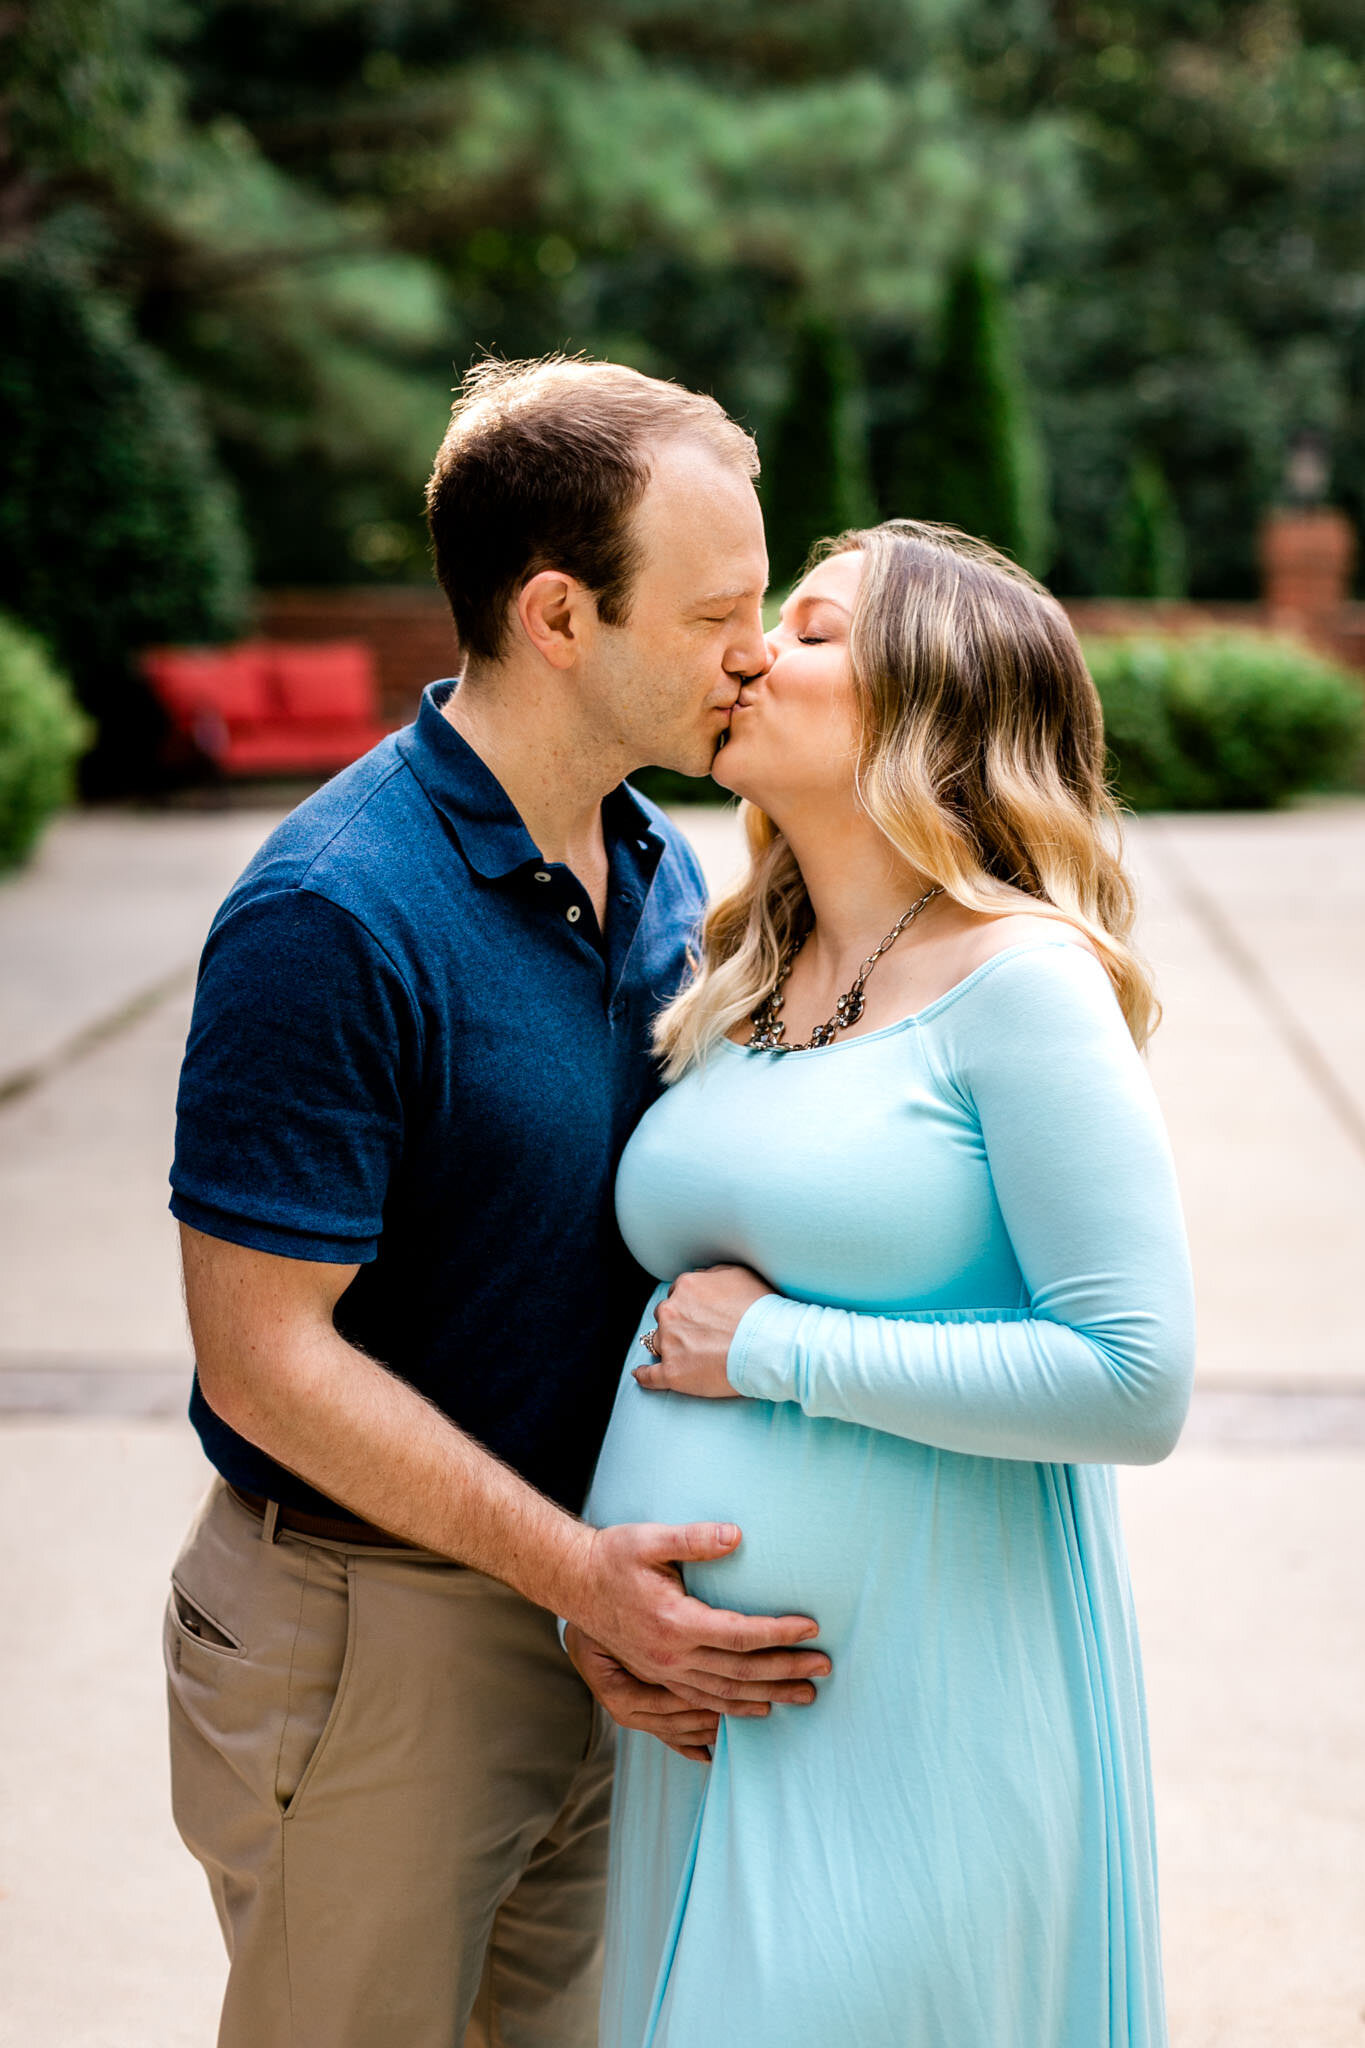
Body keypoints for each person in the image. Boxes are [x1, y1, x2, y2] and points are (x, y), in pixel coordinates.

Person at [161, 355, 832, 2048]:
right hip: (368, 1646)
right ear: (557, 615)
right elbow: (262, 1360)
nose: (752, 649)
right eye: (714, 612)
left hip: (585, 1618)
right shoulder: (330, 914)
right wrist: (575, 1577)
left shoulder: (655, 861)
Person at [585, 520, 1197, 2048]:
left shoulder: (1024, 985)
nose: (749, 654)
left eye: (808, 627)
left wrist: (780, 1348)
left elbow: (1133, 1378)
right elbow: (659, 1338)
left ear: (928, 700)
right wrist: (587, 1596)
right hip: (694, 1726)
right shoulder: (737, 977)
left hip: (919, 1717)